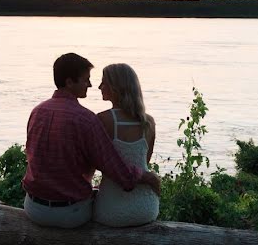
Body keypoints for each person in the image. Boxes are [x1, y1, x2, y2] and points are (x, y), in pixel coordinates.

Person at [22, 53, 161, 228]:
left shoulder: (37, 112)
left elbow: (31, 155)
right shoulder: (86, 119)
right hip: (70, 214)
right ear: (69, 82)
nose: (90, 84)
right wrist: (148, 178)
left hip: (33, 208)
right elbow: (118, 172)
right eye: (85, 79)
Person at [93, 63, 160, 226]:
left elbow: (97, 163)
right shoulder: (148, 122)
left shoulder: (102, 120)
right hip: (146, 208)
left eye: (104, 82)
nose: (99, 86)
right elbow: (145, 162)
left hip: (112, 210)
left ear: (116, 87)